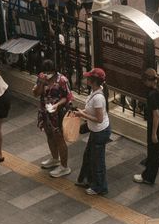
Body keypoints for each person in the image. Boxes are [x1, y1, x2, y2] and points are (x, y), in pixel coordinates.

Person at [75, 68, 112, 196]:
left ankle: (100, 187)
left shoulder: (98, 98)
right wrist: (81, 113)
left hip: (100, 132)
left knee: (97, 161)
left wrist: (82, 115)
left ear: (93, 81)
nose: (86, 79)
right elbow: (91, 111)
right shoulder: (94, 91)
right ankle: (87, 180)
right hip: (96, 131)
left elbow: (99, 119)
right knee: (89, 156)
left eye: (88, 77)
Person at [33, 60, 72, 178]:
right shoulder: (41, 79)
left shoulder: (62, 80)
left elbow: (67, 97)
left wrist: (57, 105)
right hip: (45, 113)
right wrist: (41, 83)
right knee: (49, 135)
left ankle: (64, 166)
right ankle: (55, 159)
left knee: (59, 139)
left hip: (58, 114)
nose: (47, 74)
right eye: (45, 72)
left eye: (49, 72)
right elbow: (36, 93)